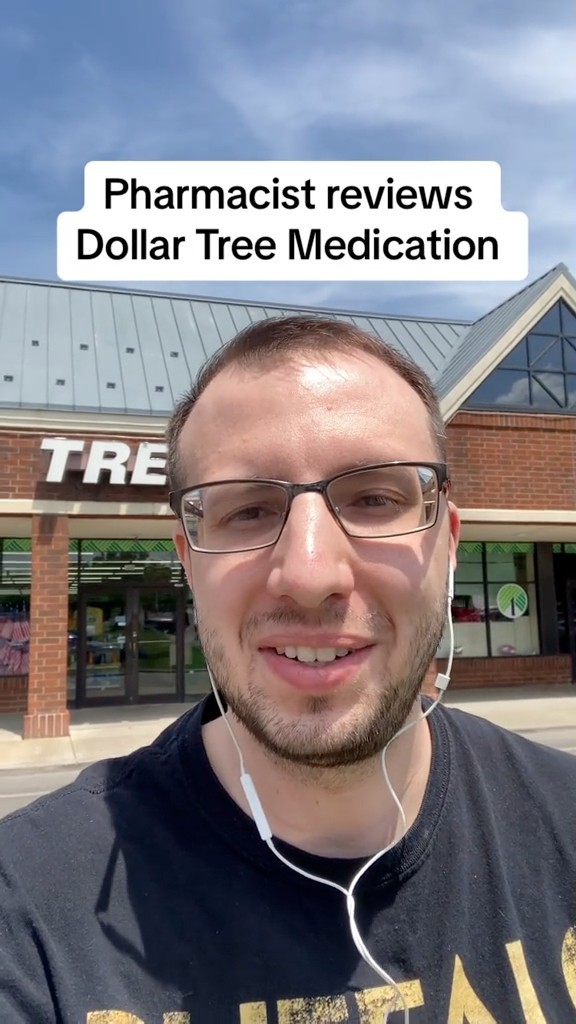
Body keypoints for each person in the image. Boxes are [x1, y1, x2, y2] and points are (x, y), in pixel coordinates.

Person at [0, 316, 574, 1024]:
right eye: (248, 510)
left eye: (375, 499)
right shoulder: (25, 908)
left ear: (447, 543)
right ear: (186, 559)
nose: (308, 574)